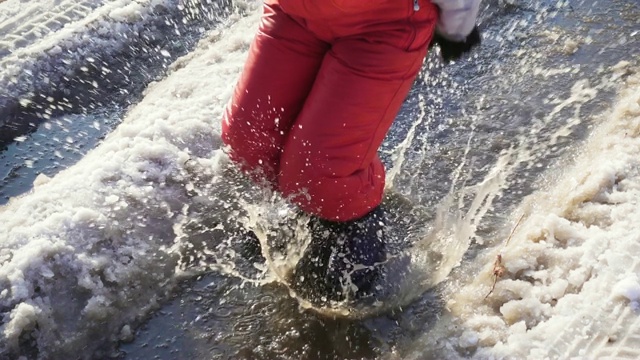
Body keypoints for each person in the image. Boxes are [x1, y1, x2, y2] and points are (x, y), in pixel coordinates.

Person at [221, 0, 482, 303]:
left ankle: (358, 236)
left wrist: (457, 24)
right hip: (296, 11)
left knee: (321, 169)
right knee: (249, 140)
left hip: (385, 23)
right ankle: (311, 211)